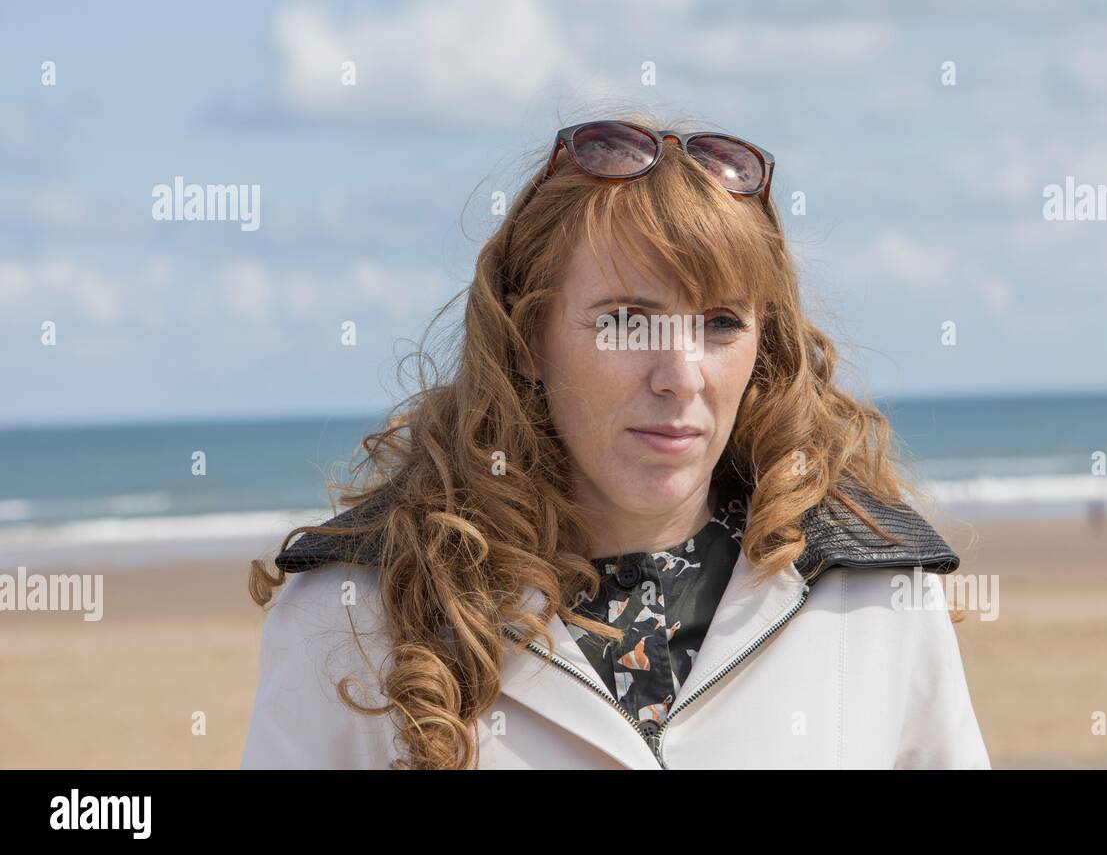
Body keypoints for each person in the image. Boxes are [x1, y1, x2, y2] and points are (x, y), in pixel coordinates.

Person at [241, 112, 991, 769]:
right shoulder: (350, 612)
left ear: (762, 346)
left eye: (720, 323)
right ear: (527, 338)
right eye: (628, 321)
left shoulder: (876, 593)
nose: (680, 376)